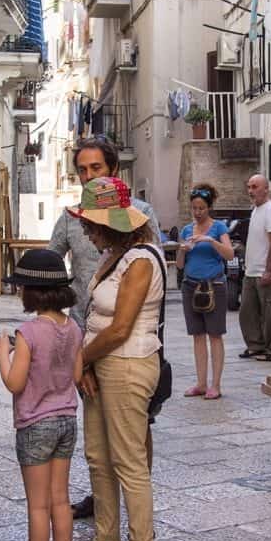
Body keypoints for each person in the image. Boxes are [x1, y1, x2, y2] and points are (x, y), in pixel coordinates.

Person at [48, 136, 160, 519]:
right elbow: (52, 269)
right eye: (82, 169)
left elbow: (149, 284)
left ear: (113, 170)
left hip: (127, 341)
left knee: (133, 427)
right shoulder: (71, 216)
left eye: (96, 168)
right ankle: (104, 504)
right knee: (96, 437)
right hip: (84, 337)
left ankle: (137, 505)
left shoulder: (140, 214)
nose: (88, 175)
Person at [67, 177, 162, 541]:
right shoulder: (114, 256)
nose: (86, 232)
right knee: (99, 456)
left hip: (127, 365)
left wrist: (79, 359)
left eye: (91, 225)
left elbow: (122, 327)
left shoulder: (141, 259)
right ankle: (107, 538)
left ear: (112, 223)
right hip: (100, 365)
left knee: (128, 460)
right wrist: (86, 364)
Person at [0, 249, 84, 541]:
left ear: (30, 291)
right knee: (61, 500)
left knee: (37, 507)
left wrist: (5, 352)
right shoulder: (73, 326)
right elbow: (76, 376)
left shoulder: (28, 331)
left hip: (35, 424)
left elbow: (15, 383)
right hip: (66, 420)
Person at [176, 183, 234, 399]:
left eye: (201, 208)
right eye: (194, 208)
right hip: (190, 285)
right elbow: (180, 265)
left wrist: (211, 241)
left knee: (215, 335)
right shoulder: (186, 230)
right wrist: (182, 251)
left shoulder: (219, 228)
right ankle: (201, 383)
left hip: (214, 286)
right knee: (197, 335)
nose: (197, 212)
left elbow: (229, 254)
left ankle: (215, 385)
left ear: (209, 207)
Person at [238, 174, 271, 362]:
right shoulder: (255, 210)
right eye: (249, 187)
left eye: (255, 186)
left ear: (266, 189)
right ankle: (255, 346)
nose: (251, 191)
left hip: (266, 273)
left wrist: (269, 270)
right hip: (251, 271)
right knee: (247, 312)